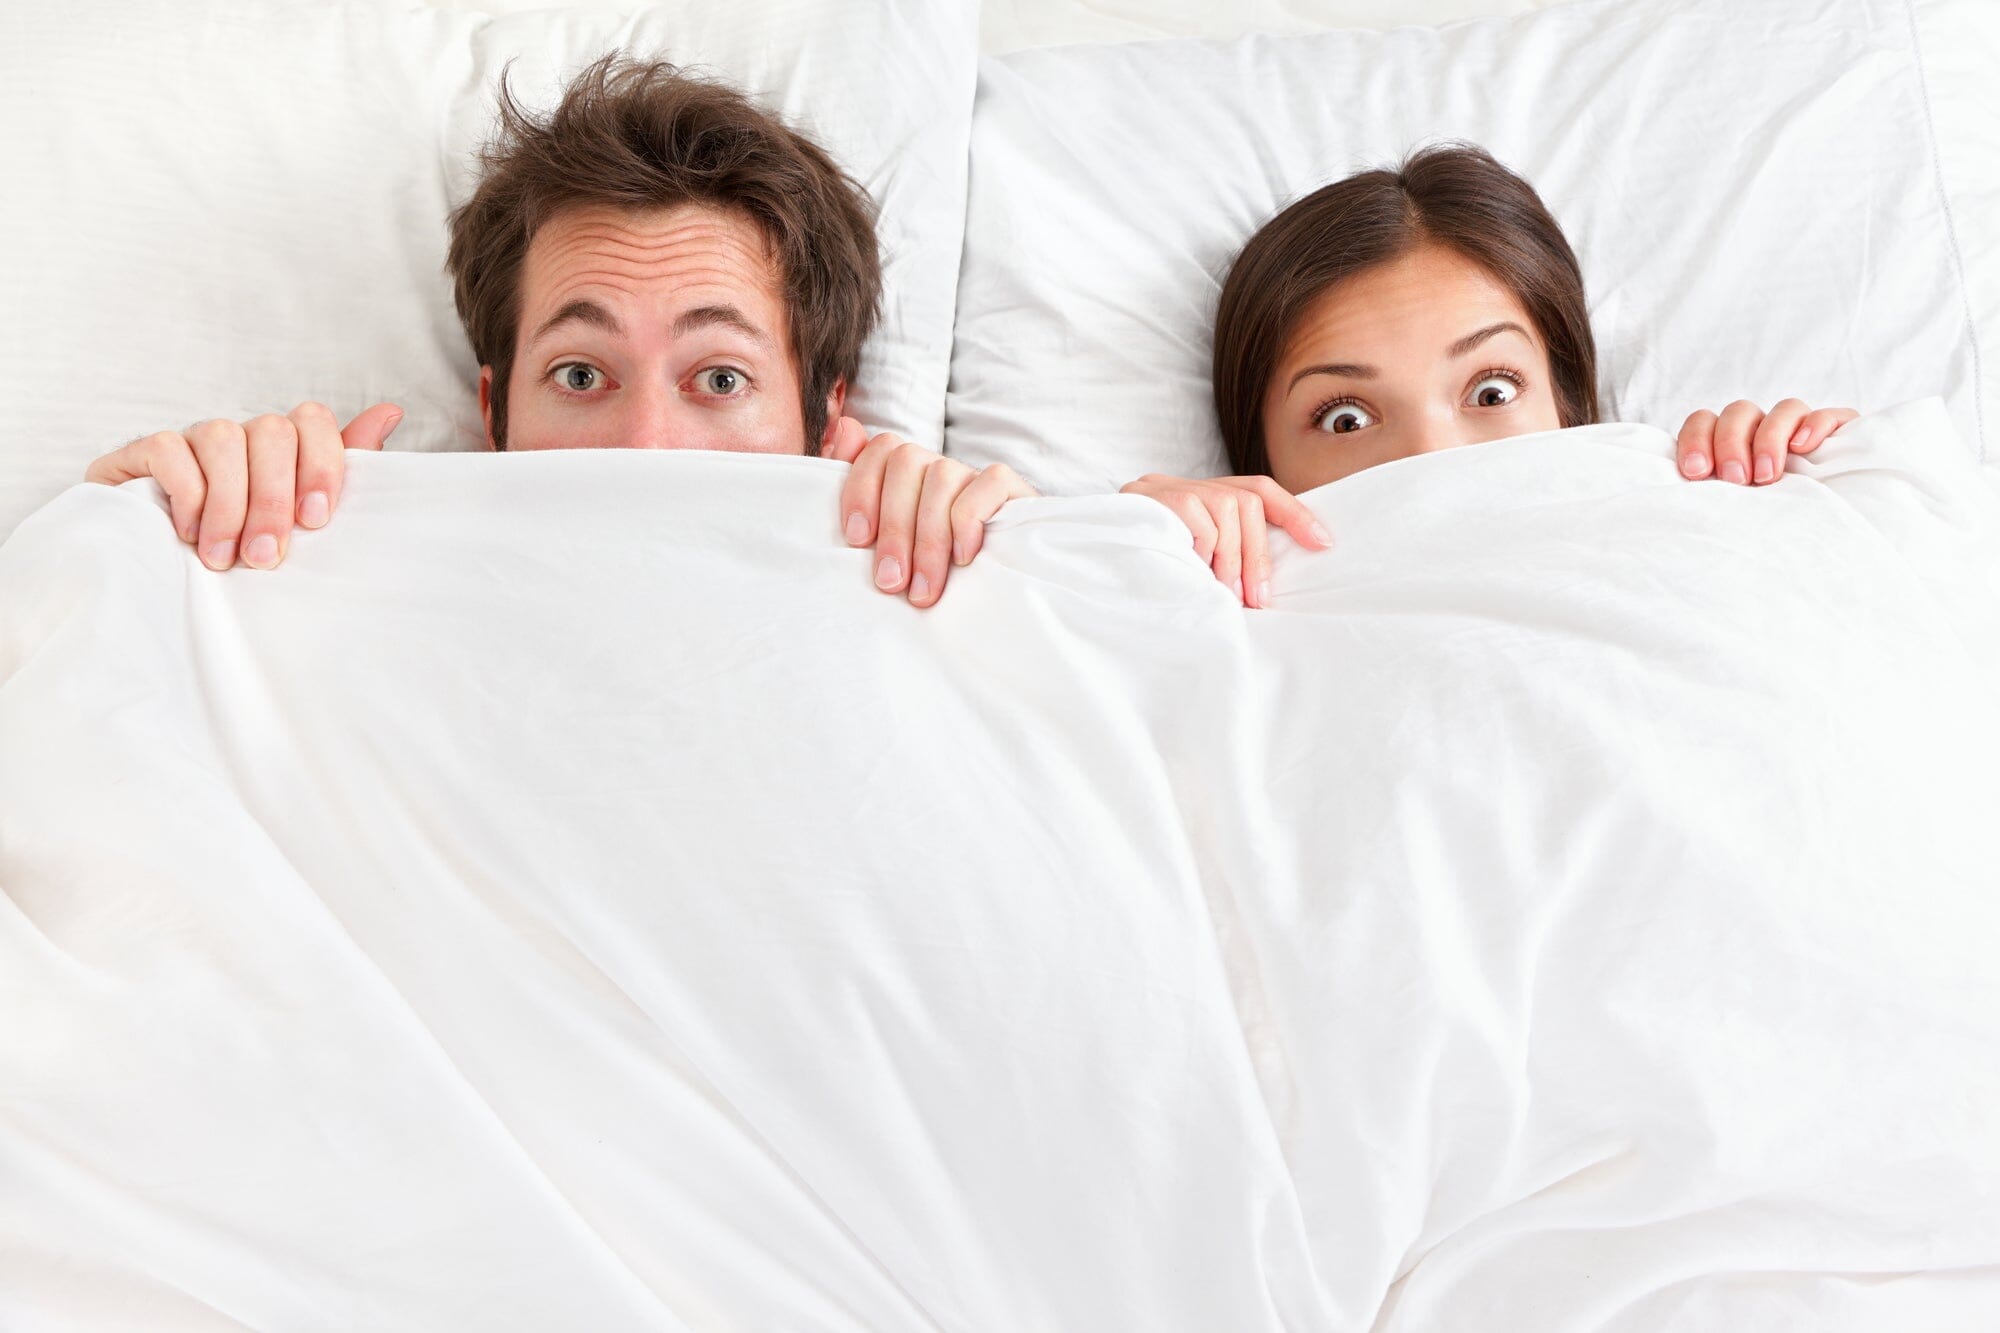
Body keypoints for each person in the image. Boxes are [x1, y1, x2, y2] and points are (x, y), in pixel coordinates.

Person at [82, 56, 1030, 609]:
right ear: (494, 415)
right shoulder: (323, 589)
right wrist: (137, 538)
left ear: (827, 422)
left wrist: (1024, 565)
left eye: (721, 379)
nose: (644, 448)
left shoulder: (954, 596)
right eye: (580, 374)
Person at [1121, 143, 1859, 608]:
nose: (1434, 460)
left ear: (1569, 407)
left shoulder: (1702, 534)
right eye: (1346, 418)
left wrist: (1821, 482)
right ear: (1261, 462)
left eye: (1491, 392)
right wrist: (1125, 552)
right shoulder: (1197, 593)